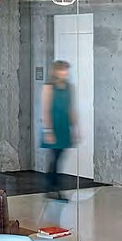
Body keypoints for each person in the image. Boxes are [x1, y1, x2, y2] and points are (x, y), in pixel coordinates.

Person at [41, 60, 78, 201]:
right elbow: (46, 109)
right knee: (55, 157)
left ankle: (53, 187)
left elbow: (71, 108)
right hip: (54, 125)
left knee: (59, 157)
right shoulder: (49, 88)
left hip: (64, 125)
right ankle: (53, 187)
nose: (65, 73)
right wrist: (48, 130)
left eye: (66, 70)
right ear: (56, 71)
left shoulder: (69, 87)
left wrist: (75, 128)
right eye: (62, 70)